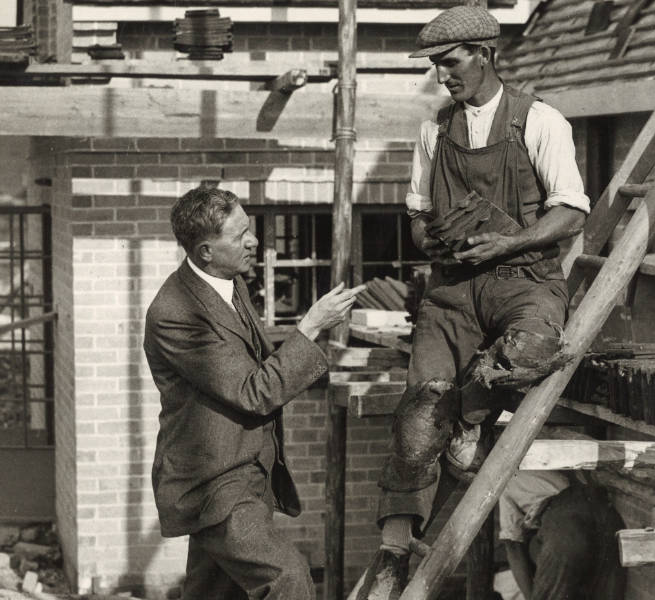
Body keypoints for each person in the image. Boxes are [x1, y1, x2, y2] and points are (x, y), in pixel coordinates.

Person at [358, 5, 591, 597]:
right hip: (453, 289)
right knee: (417, 416)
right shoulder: (434, 130)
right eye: (436, 67)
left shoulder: (541, 121)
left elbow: (569, 212)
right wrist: (436, 235)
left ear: (486, 55)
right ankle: (392, 554)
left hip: (524, 279)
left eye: (451, 63)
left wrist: (511, 237)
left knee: (535, 347)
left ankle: (466, 413)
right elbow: (414, 216)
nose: (443, 77)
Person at [143, 186, 364, 600]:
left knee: (213, 594)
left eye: (251, 228)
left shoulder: (229, 282)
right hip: (213, 485)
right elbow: (254, 391)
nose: (254, 240)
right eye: (240, 234)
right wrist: (310, 326)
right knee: (289, 578)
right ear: (206, 250)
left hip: (248, 474)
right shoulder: (175, 313)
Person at [499, 471, 627, 600]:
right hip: (607, 513)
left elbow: (513, 547)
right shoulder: (550, 457)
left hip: (565, 520)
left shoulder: (504, 480)